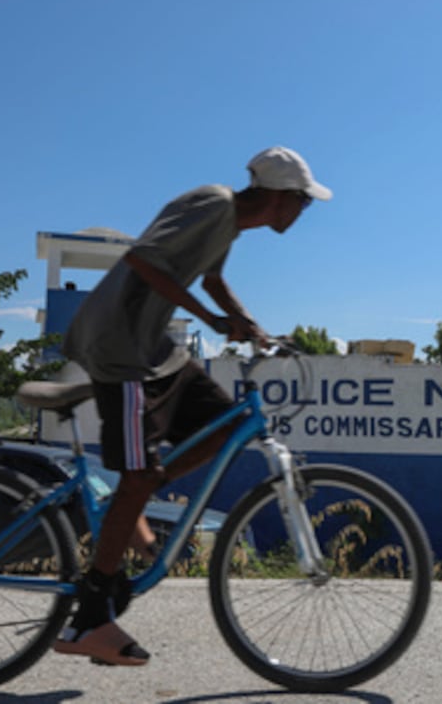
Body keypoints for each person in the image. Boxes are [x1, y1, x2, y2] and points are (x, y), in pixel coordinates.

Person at [53, 146, 332, 666]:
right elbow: (141, 259)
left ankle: (139, 495)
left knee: (227, 428)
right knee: (136, 477)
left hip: (155, 347)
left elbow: (213, 280)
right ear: (279, 197)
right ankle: (89, 618)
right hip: (122, 347)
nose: (303, 211)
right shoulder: (211, 202)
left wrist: (248, 324)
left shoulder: (228, 225)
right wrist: (208, 318)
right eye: (303, 202)